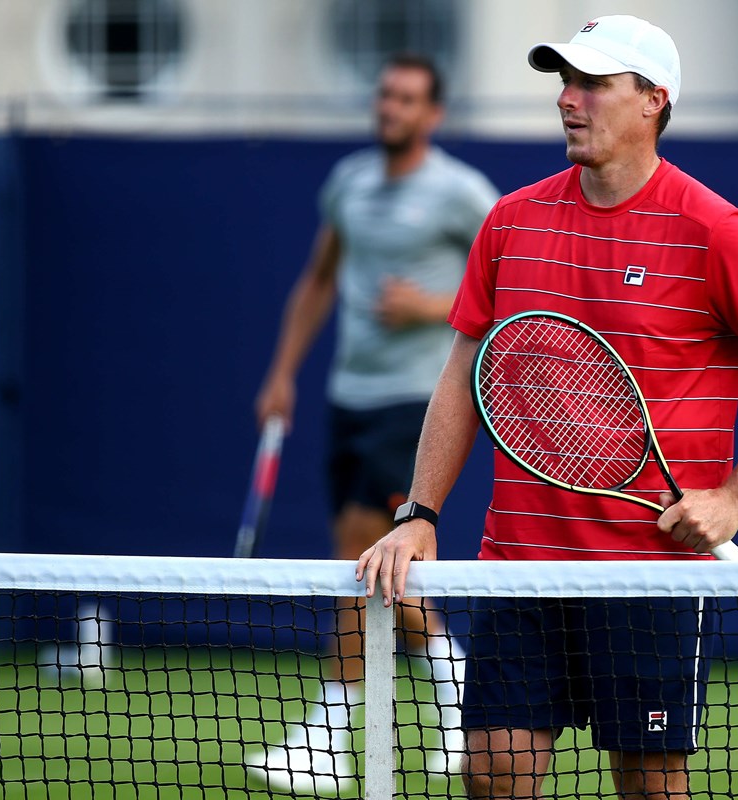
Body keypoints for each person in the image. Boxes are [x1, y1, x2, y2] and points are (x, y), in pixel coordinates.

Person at [356, 14, 738, 800]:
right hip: (517, 568)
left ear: (654, 100)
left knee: (650, 788)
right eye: (564, 82)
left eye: (592, 83)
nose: (569, 100)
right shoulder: (511, 221)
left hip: (649, 577)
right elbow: (463, 375)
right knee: (493, 772)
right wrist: (420, 511)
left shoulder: (715, 229)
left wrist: (735, 496)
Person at [246, 52, 499, 795]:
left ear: (433, 114)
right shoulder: (349, 183)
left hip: (417, 404)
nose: (390, 107)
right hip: (347, 398)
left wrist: (431, 306)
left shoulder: (459, 192)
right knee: (376, 570)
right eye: (385, 95)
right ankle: (462, 693)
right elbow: (319, 278)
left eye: (407, 99)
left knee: (360, 551)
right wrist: (282, 372)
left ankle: (329, 739)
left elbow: (511, 274)